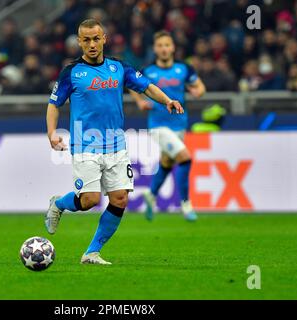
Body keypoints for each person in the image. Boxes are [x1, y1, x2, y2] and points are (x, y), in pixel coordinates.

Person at [45, 19, 183, 265]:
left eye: (96, 38)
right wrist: (52, 133)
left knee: (120, 199)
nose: (91, 44)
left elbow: (147, 87)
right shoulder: (72, 72)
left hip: (115, 145)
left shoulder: (118, 67)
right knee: (89, 201)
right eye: (86, 40)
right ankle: (58, 203)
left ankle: (91, 252)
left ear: (104, 39)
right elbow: (54, 104)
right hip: (86, 144)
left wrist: (167, 100)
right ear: (79, 42)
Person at [129, 30, 206, 222]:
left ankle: (151, 194)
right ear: (155, 49)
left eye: (167, 45)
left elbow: (200, 87)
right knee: (185, 158)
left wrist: (198, 92)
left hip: (179, 124)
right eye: (160, 45)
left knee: (167, 162)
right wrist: (140, 102)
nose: (164, 49)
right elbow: (131, 86)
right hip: (158, 126)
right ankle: (186, 203)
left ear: (173, 48)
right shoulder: (148, 72)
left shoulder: (184, 69)